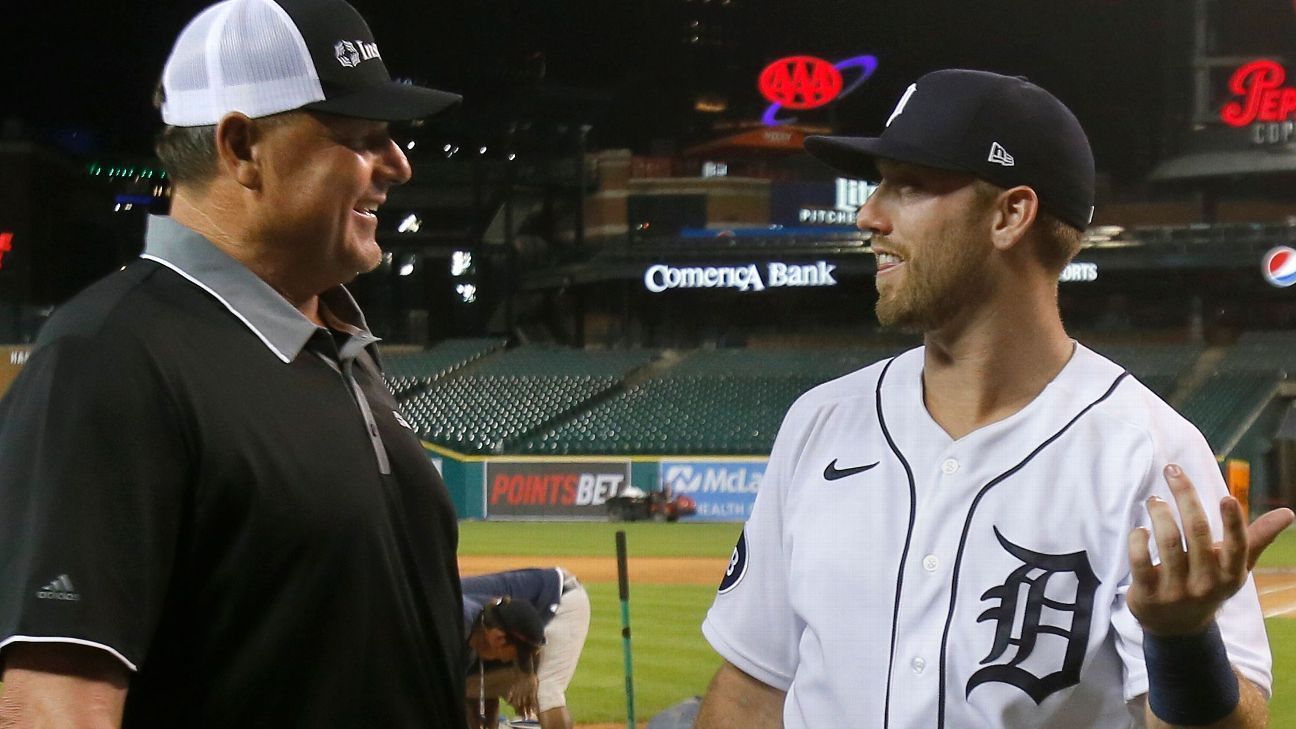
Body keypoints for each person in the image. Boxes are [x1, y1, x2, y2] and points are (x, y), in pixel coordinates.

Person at [696, 69, 1295, 729]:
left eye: (909, 184)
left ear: (1010, 214)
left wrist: (1182, 642)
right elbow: (752, 692)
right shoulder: (820, 423)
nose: (869, 213)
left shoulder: (1152, 453)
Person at [0, 0, 465, 726]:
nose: (398, 164)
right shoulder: (110, 357)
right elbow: (53, 704)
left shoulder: (338, 347)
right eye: (363, 136)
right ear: (242, 146)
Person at [462, 568, 592, 729]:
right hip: (518, 628)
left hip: (560, 600)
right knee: (470, 686)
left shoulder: (463, 612)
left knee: (545, 691)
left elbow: (497, 610)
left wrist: (526, 674)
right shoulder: (464, 619)